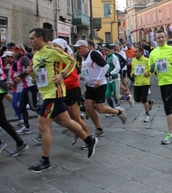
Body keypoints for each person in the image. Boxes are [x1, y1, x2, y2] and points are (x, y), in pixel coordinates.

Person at [27, 29, 97, 173]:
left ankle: (45, 160)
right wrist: (31, 73)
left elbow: (71, 60)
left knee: (42, 125)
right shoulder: (36, 55)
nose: (30, 41)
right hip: (46, 93)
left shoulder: (52, 50)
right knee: (66, 122)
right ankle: (90, 140)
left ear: (40, 38)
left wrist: (62, 75)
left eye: (32, 38)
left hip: (55, 93)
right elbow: (39, 76)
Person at [73, 40, 127, 138]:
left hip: (100, 85)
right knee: (89, 107)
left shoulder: (93, 54)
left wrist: (98, 79)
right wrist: (82, 77)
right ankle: (99, 129)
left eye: (79, 48)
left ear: (85, 47)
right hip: (90, 86)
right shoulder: (83, 58)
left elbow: (105, 66)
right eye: (76, 48)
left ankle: (119, 112)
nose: (77, 50)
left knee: (100, 109)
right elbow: (88, 70)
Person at [13, 44, 39, 134]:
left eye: (14, 51)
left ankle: (46, 117)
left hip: (30, 85)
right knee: (21, 106)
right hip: (25, 86)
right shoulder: (19, 60)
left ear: (19, 51)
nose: (13, 53)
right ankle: (27, 126)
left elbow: (29, 70)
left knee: (33, 107)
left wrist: (19, 75)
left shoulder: (24, 58)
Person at [131, 46, 154, 122]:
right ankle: (149, 102)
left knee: (144, 99)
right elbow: (133, 70)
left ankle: (147, 115)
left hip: (145, 82)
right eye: (134, 52)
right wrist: (132, 73)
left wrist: (148, 73)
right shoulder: (133, 60)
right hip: (137, 82)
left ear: (141, 52)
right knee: (137, 99)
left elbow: (152, 69)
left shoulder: (147, 60)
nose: (135, 53)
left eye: (136, 51)